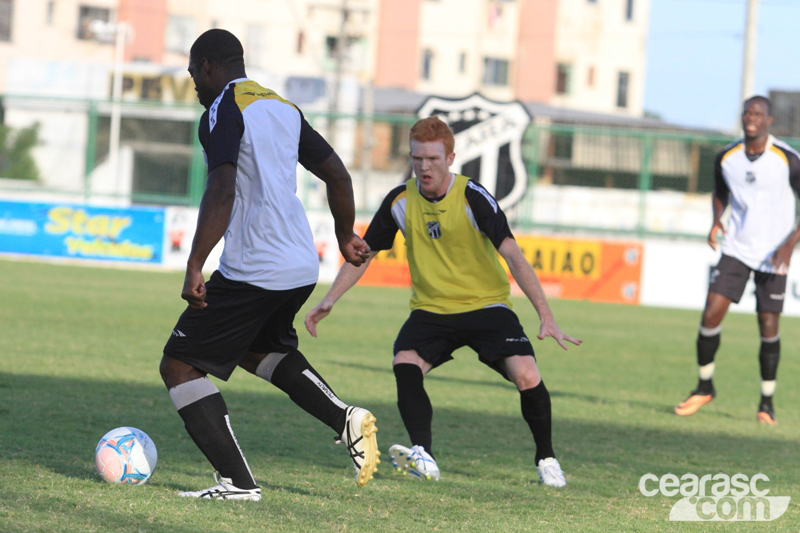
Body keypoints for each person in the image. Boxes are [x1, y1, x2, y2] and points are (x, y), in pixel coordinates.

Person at [159, 29, 379, 500]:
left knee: (179, 365)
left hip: (255, 268)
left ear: (210, 68)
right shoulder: (282, 106)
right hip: (299, 265)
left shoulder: (222, 108)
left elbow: (221, 187)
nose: (194, 84)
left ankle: (237, 483)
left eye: (194, 73)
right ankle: (345, 418)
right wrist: (344, 235)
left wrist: (195, 264)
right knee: (253, 350)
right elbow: (337, 173)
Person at [305, 116, 581, 487]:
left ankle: (546, 458)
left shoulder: (473, 197)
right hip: (432, 310)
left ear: (450, 158)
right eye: (418, 159)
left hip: (487, 306)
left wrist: (545, 316)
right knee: (405, 362)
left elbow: (513, 256)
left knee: (527, 375)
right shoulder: (400, 200)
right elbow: (365, 255)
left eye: (433, 159)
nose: (424, 167)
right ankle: (425, 455)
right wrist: (330, 299)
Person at [674, 96, 800, 424]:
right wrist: (717, 219)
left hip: (774, 254)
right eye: (747, 113)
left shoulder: (787, 159)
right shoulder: (727, 157)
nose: (751, 118)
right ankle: (704, 387)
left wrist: (790, 244)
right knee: (711, 313)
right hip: (736, 249)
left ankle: (766, 403)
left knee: (768, 325)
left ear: (769, 120)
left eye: (757, 113)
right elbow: (720, 193)